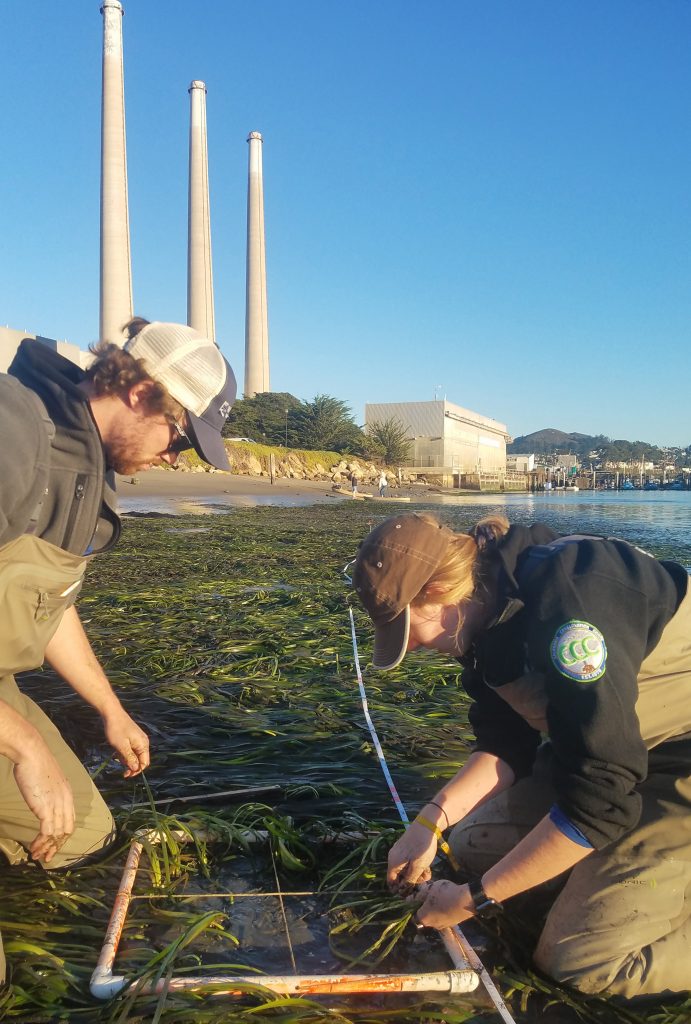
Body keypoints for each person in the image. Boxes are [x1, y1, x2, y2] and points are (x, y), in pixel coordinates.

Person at [352, 511, 691, 999]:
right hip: (610, 758)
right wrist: (427, 825)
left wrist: (475, 900)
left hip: (675, 769)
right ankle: (607, 879)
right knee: (471, 843)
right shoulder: (484, 616)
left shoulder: (572, 610)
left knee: (577, 965)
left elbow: (599, 800)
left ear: (439, 593)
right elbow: (505, 744)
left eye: (410, 630)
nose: (415, 648)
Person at [0, 318, 236, 984]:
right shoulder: (12, 430)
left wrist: (111, 708)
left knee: (84, 839)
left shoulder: (87, 468)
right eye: (182, 439)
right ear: (139, 391)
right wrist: (27, 748)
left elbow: (48, 602)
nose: (177, 458)